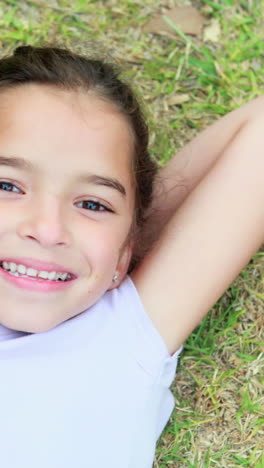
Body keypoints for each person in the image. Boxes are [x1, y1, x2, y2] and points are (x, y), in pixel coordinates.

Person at [0, 45, 263, 468]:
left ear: (125, 255)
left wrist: (127, 245)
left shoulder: (117, 339)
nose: (48, 230)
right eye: (8, 186)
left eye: (93, 205)